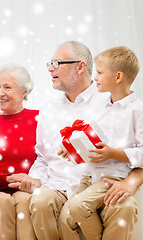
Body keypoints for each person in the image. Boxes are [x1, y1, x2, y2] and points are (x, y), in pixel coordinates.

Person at [11, 41, 138, 240]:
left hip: (100, 181)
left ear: (80, 66)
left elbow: (131, 146)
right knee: (40, 200)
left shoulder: (109, 100)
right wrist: (36, 179)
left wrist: (131, 181)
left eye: (57, 63)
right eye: (49, 63)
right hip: (57, 186)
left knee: (125, 207)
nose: (50, 69)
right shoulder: (48, 109)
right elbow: (43, 158)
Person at [58, 46, 142, 240]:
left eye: (100, 73)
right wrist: (72, 148)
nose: (95, 77)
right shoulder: (99, 105)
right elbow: (89, 136)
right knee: (64, 220)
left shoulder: (137, 110)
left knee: (79, 207)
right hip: (90, 176)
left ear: (118, 77)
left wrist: (114, 153)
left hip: (113, 177)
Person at [0, 64, 38, 240]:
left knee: (24, 200)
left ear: (24, 92)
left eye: (7, 87)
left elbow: (50, 160)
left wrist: (35, 181)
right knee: (3, 202)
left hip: (24, 189)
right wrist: (5, 178)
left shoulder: (39, 120)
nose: (0, 93)